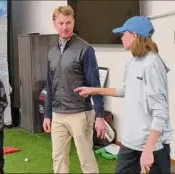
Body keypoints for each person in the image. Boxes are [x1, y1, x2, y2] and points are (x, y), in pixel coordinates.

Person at [74, 16, 173, 174]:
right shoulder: (132, 62)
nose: (121, 37)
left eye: (124, 33)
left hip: (153, 145)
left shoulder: (153, 64)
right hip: (130, 142)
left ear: (134, 35)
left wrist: (148, 150)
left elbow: (160, 111)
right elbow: (126, 91)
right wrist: (94, 90)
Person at [42, 5, 106, 173]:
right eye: (61, 23)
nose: (65, 27)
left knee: (86, 160)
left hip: (80, 114)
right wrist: (48, 114)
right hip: (57, 115)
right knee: (58, 159)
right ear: (55, 24)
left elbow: (95, 84)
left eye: (68, 22)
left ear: (73, 22)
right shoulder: (52, 52)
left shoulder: (85, 49)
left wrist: (100, 116)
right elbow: (50, 85)